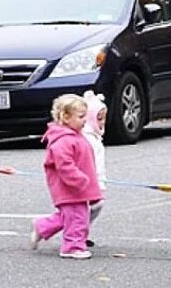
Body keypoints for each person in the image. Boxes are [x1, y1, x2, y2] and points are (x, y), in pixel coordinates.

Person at [30, 94, 103, 259]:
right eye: (81, 116)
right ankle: (72, 246)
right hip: (69, 187)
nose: (85, 120)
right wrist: (79, 179)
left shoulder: (75, 135)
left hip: (77, 187)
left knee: (72, 215)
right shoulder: (63, 140)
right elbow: (64, 165)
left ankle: (42, 227)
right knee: (77, 218)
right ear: (66, 117)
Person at [81, 90, 108, 248]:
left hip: (97, 179)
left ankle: (81, 232)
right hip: (88, 180)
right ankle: (45, 226)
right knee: (87, 207)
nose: (102, 123)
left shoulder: (96, 137)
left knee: (95, 206)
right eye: (99, 119)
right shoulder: (86, 138)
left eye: (103, 119)